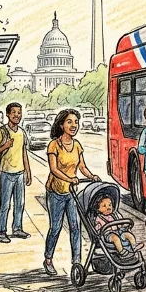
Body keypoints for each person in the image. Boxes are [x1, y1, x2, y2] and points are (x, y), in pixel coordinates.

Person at [43, 109, 99, 275]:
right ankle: (48, 259)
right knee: (56, 227)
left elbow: (82, 167)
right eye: (70, 122)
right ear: (61, 124)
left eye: (76, 122)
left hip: (72, 193)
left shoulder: (76, 145)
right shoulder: (54, 145)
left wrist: (92, 176)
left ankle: (76, 263)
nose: (74, 125)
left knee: (75, 227)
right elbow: (53, 169)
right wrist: (69, 179)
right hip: (56, 192)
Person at [0, 102, 32, 244]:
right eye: (14, 112)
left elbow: (24, 152)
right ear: (7, 114)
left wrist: (28, 171)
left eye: (19, 113)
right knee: (5, 204)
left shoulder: (21, 132)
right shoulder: (1, 131)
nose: (17, 115)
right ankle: (1, 231)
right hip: (6, 173)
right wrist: (5, 146)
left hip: (19, 173)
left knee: (20, 204)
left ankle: (17, 228)